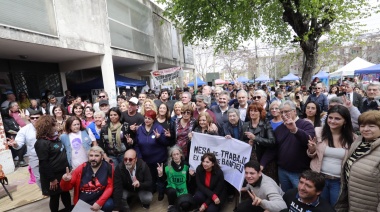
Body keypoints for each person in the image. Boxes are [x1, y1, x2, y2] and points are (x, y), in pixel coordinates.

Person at [261, 100, 315, 192]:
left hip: (299, 173)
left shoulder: (305, 124)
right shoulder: (279, 128)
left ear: (294, 111)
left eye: (286, 111)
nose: (283, 114)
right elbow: (273, 149)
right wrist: (262, 164)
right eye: (281, 112)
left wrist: (295, 130)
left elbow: (307, 140)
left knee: (300, 197)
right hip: (282, 171)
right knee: (286, 196)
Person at [307, 105, 355, 206]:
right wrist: (311, 150)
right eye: (330, 117)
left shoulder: (353, 138)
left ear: (345, 121)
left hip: (338, 181)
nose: (332, 121)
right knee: (320, 206)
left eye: (337, 118)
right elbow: (312, 155)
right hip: (319, 178)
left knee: (335, 207)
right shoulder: (318, 132)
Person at [335, 110, 380, 211]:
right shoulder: (358, 142)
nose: (365, 129)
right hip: (352, 202)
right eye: (362, 126)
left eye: (371, 126)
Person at [34, 116, 71, 212]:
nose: (56, 126)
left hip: (62, 174)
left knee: (65, 194)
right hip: (52, 176)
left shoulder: (55, 138)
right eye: (53, 125)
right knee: (55, 198)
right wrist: (52, 179)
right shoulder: (42, 143)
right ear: (47, 127)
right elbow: (43, 163)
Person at [60, 146, 114, 212]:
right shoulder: (81, 168)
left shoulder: (108, 168)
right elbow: (66, 188)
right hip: (83, 201)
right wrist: (65, 181)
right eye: (91, 155)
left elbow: (110, 187)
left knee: (109, 204)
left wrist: (99, 203)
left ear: (102, 157)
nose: (93, 158)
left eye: (96, 156)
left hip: (99, 199)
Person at [135, 110, 170, 200]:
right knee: (151, 176)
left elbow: (166, 143)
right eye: (145, 118)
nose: (146, 120)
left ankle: (161, 192)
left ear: (153, 119)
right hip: (146, 159)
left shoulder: (159, 128)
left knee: (160, 176)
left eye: (149, 119)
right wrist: (139, 156)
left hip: (159, 158)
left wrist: (159, 138)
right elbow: (137, 144)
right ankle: (153, 189)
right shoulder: (140, 129)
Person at [6, 109, 43, 187]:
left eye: (37, 117)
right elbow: (18, 143)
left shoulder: (48, 127)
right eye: (32, 118)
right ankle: (46, 192)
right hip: (34, 156)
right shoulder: (24, 130)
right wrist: (15, 144)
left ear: (42, 117)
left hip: (50, 155)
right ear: (29, 119)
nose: (35, 119)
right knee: (39, 178)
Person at [243, 102, 276, 181]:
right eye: (251, 110)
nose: (252, 113)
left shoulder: (266, 124)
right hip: (250, 159)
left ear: (260, 113)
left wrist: (255, 138)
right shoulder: (245, 125)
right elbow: (242, 141)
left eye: (255, 111)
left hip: (264, 160)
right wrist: (248, 143)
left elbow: (272, 142)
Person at [157, 146, 195, 211]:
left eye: (177, 154)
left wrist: (193, 175)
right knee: (172, 192)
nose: (176, 156)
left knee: (185, 206)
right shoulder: (166, 166)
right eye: (174, 154)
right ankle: (171, 204)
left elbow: (190, 181)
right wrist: (160, 174)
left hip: (183, 189)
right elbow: (163, 180)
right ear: (171, 156)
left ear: (181, 155)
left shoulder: (186, 165)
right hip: (172, 188)